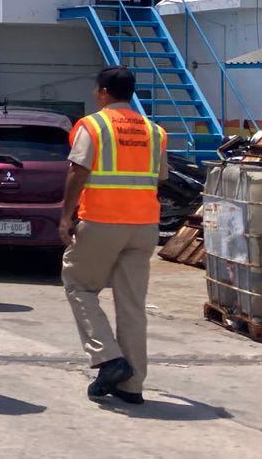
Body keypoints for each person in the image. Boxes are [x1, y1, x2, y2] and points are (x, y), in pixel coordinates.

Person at [60, 66, 168, 405]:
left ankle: (108, 358)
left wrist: (65, 216)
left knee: (79, 284)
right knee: (132, 304)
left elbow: (79, 171)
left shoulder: (92, 125)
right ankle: (132, 386)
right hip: (145, 226)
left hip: (102, 221)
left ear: (103, 91)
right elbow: (159, 176)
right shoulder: (155, 131)